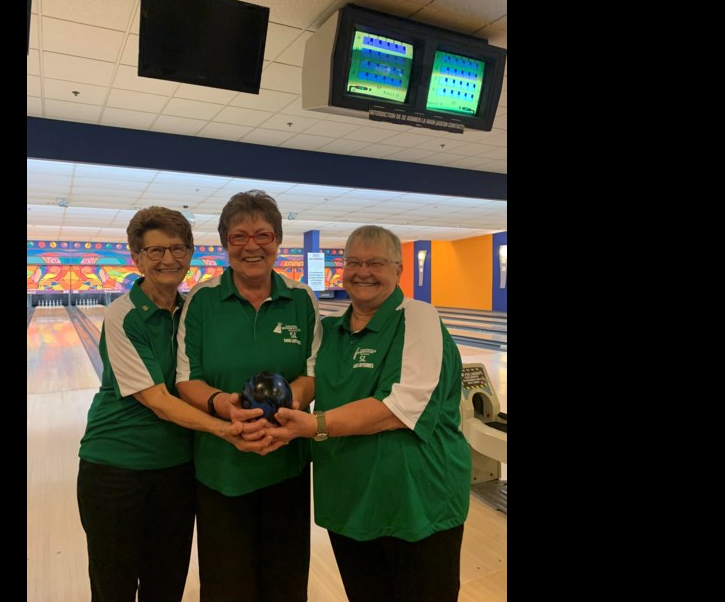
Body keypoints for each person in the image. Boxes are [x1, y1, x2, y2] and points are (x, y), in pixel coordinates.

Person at [77, 206, 272, 602]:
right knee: (113, 585)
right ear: (137, 257)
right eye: (155, 251)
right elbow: (160, 402)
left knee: (166, 583)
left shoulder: (191, 311)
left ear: (190, 254)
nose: (169, 259)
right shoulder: (123, 315)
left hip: (178, 470)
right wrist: (226, 430)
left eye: (178, 249)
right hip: (117, 468)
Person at [271, 225, 471, 602]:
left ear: (398, 270)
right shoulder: (329, 331)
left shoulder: (418, 317)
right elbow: (308, 380)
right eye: (354, 262)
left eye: (376, 262)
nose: (363, 271)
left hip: (417, 504)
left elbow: (400, 406)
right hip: (349, 502)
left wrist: (314, 425)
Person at [176, 190, 322, 602]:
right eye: (239, 236)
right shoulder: (202, 300)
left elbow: (314, 373)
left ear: (277, 240)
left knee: (286, 582)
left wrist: (292, 398)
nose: (251, 245)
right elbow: (187, 378)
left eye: (263, 234)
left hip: (286, 464)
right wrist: (222, 405)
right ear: (225, 244)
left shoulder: (301, 298)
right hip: (221, 469)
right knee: (227, 586)